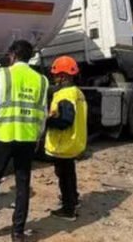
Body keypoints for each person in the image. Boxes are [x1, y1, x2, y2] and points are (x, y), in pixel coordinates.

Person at [0, 40, 49, 242]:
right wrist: (38, 136)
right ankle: (17, 233)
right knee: (23, 183)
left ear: (14, 55)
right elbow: (42, 113)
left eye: (9, 55)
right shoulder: (41, 80)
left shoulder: (5, 74)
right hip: (27, 138)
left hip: (3, 137)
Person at [44, 56, 87, 221]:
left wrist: (47, 121)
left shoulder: (64, 95)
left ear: (62, 76)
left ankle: (68, 210)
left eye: (55, 75)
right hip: (74, 142)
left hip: (64, 143)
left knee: (64, 176)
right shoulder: (77, 93)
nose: (54, 79)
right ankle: (73, 200)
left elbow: (66, 121)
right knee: (69, 173)